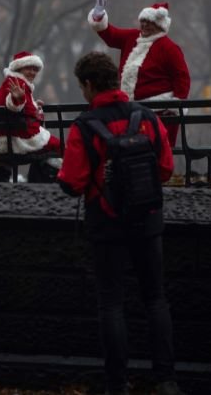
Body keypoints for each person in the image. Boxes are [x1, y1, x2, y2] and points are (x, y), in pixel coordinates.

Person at [56, 52, 184, 395]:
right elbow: (166, 169)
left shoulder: (84, 126)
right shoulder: (147, 117)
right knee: (155, 298)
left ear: (88, 84)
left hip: (106, 222)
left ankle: (117, 383)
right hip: (148, 220)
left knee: (111, 304)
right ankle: (166, 379)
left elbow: (72, 182)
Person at [88, 0, 190, 147]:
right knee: (129, 151)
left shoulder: (170, 48)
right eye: (143, 21)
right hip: (128, 110)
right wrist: (99, 16)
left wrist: (175, 106)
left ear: (160, 25)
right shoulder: (131, 37)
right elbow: (111, 35)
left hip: (160, 112)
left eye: (150, 22)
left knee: (157, 151)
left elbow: (182, 78)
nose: (145, 25)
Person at [0, 51, 61, 182]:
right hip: (16, 137)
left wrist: (32, 105)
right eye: (29, 68)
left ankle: (2, 173)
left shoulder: (18, 82)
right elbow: (12, 105)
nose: (33, 72)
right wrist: (18, 100)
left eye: (35, 69)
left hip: (4, 135)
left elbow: (19, 107)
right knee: (60, 147)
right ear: (19, 68)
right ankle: (49, 182)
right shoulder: (16, 83)